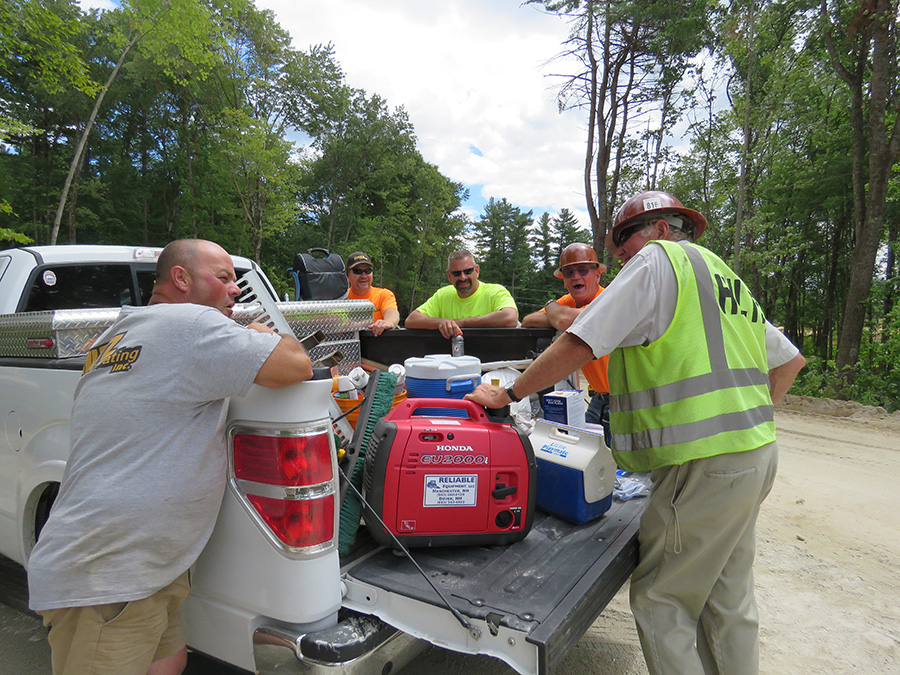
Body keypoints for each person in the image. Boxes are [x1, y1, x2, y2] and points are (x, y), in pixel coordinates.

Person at [467, 191, 806, 675]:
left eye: (624, 237)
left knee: (661, 601)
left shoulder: (657, 261)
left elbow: (581, 340)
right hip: (753, 454)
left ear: (663, 230)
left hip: (701, 465)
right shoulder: (722, 276)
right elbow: (791, 361)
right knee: (726, 597)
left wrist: (511, 393)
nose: (618, 251)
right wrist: (751, 417)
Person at [27, 239, 314, 675]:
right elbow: (296, 366)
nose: (235, 290)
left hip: (142, 566)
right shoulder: (191, 323)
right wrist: (261, 332)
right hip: (110, 576)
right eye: (223, 278)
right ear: (180, 279)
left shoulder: (119, 332)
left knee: (169, 663)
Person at [522, 242, 611, 439]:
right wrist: (557, 310)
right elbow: (529, 321)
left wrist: (552, 309)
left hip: (623, 403)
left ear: (597, 274)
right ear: (564, 280)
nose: (576, 277)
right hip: (598, 399)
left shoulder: (606, 299)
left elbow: (562, 319)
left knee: (621, 466)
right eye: (569, 273)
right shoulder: (570, 303)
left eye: (583, 270)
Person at [404, 250, 518, 339]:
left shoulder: (495, 292)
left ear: (477, 271)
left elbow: (510, 318)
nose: (463, 277)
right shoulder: (443, 295)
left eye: (468, 271)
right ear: (449, 276)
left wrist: (461, 323)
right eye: (456, 273)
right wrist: (441, 323)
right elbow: (411, 320)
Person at [345, 252, 400, 336]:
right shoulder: (341, 298)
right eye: (357, 271)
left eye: (368, 271)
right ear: (347, 275)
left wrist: (388, 322)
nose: (364, 276)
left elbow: (392, 313)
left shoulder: (384, 294)